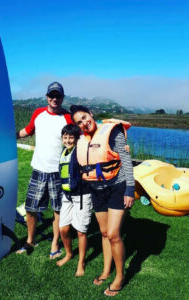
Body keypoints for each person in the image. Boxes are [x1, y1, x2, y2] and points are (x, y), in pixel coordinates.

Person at [70, 105, 135, 297]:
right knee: (105, 233)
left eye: (85, 117)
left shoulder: (111, 131)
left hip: (117, 187)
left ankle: (120, 277)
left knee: (114, 234)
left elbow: (126, 159)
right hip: (96, 190)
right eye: (79, 122)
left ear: (91, 114)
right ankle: (107, 270)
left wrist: (130, 189)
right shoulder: (81, 139)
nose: (84, 123)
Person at [16, 82, 73, 258]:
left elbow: (79, 136)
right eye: (51, 95)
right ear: (47, 97)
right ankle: (30, 240)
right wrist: (8, 136)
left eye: (58, 96)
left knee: (57, 210)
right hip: (39, 170)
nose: (54, 99)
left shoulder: (68, 117)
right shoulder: (38, 113)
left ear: (62, 98)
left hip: (59, 173)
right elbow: (28, 130)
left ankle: (55, 244)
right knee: (31, 208)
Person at [57, 124, 93, 277]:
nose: (68, 140)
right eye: (65, 137)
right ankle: (69, 253)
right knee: (63, 229)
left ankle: (81, 262)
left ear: (77, 138)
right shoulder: (64, 152)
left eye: (71, 137)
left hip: (82, 195)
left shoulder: (81, 151)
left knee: (80, 232)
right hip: (67, 196)